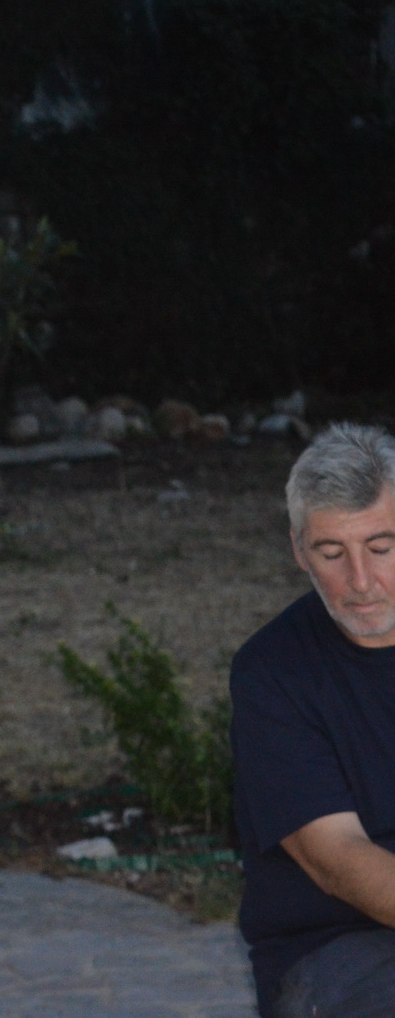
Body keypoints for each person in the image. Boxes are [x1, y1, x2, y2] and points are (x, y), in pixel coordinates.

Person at [232, 422, 395, 1017]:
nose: (361, 581)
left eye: (381, 547)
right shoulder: (273, 670)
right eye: (332, 553)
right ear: (299, 550)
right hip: (335, 948)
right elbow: (337, 860)